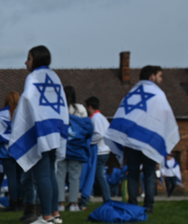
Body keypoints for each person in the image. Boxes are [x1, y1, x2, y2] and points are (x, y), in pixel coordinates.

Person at [104, 66, 179, 213]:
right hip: (148, 140)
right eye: (160, 76)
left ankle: (132, 204)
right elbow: (163, 118)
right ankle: (148, 206)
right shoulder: (158, 94)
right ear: (152, 77)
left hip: (131, 140)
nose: (161, 79)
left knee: (133, 173)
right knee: (149, 173)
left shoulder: (131, 93)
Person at [8, 45, 69, 224]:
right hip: (55, 128)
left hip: (40, 129)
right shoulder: (55, 77)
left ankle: (46, 217)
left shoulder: (33, 77)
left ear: (36, 59)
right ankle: (55, 213)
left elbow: (28, 102)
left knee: (42, 174)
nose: (25, 62)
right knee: (51, 173)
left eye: (28, 58)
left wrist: (19, 125)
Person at [56, 86, 90, 212]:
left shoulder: (58, 108)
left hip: (61, 145)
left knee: (59, 175)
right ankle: (74, 204)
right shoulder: (80, 109)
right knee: (75, 176)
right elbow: (86, 127)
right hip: (76, 146)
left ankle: (60, 203)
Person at [0, 93, 22, 211]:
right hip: (20, 149)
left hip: (6, 150)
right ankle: (21, 202)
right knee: (20, 177)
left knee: (11, 177)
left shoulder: (2, 116)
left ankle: (13, 203)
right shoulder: (22, 114)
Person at [84, 96, 112, 205]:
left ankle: (106, 198)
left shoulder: (95, 118)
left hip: (99, 151)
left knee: (97, 176)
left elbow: (99, 134)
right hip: (104, 150)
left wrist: (88, 143)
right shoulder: (102, 118)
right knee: (98, 175)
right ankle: (98, 197)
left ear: (90, 107)